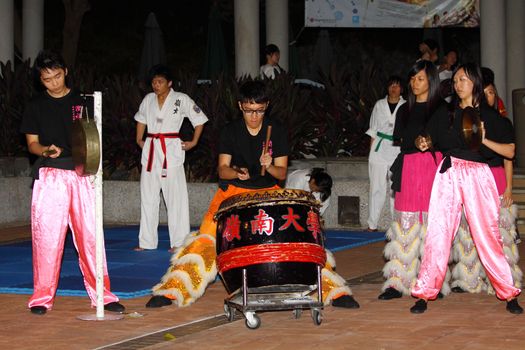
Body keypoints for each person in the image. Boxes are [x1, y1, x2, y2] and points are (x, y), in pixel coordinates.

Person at [144, 80, 359, 309]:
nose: (254, 116)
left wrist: (269, 164)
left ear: (266, 106)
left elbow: (281, 172)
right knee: (206, 240)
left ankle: (333, 291)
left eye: (259, 110)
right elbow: (222, 168)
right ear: (240, 106)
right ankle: (173, 289)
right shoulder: (230, 131)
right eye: (248, 110)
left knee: (296, 241)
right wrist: (236, 171)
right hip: (232, 193)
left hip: (268, 193)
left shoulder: (276, 130)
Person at [410, 63, 522, 314]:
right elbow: (427, 138)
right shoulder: (445, 112)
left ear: (475, 83)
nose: (458, 84)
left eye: (463, 79)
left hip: (478, 175)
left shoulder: (489, 116)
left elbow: (510, 151)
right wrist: (423, 141)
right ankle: (424, 293)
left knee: (487, 235)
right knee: (438, 233)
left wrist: (483, 139)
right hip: (449, 173)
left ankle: (508, 292)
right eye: (456, 80)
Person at [20, 50, 124, 315]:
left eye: (57, 76)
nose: (53, 82)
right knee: (47, 240)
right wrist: (44, 150)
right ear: (40, 81)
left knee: (91, 237)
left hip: (82, 175)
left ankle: (103, 294)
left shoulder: (84, 102)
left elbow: (94, 140)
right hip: (50, 176)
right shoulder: (35, 105)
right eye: (47, 79)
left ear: (65, 71)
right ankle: (42, 298)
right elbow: (32, 144)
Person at [378, 60, 450, 300]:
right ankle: (398, 282)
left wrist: (429, 142)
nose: (414, 83)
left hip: (432, 166)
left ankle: (433, 281)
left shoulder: (441, 108)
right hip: (409, 165)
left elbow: (445, 139)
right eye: (412, 79)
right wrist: (416, 141)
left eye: (419, 79)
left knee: (431, 223)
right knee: (405, 222)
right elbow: (401, 138)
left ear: (430, 80)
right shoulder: (405, 109)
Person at [450, 73, 522, 294]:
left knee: (498, 232)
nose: (488, 96)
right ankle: (469, 278)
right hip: (471, 179)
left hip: (495, 177)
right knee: (468, 231)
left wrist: (509, 187)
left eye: (492, 92)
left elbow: (509, 154)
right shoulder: (464, 120)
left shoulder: (499, 121)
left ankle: (502, 279)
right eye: (486, 92)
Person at [134, 64, 208, 252]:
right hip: (151, 149)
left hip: (171, 149)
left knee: (175, 197)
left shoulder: (180, 99)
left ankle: (179, 242)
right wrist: (139, 139)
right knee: (148, 196)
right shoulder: (148, 99)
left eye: (160, 82)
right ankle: (146, 242)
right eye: (153, 82)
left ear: (169, 83)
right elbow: (141, 119)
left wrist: (194, 142)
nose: (156, 85)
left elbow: (199, 119)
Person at [366, 76, 406, 232]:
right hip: (379, 147)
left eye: (397, 86)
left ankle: (396, 224)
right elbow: (373, 129)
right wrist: (371, 152)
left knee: (394, 188)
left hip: (397, 148)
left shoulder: (406, 105)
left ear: (401, 89)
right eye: (391, 86)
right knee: (376, 186)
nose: (393, 89)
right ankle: (372, 224)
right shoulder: (379, 104)